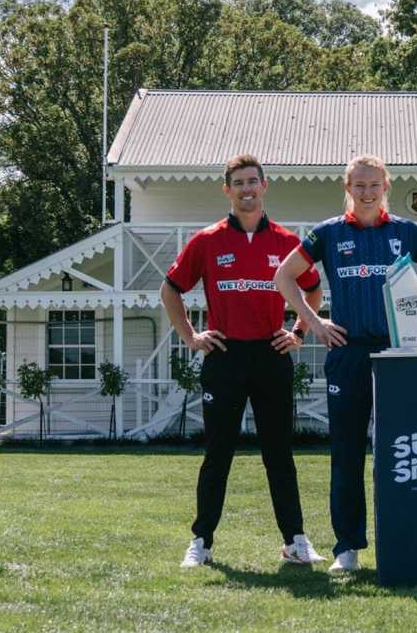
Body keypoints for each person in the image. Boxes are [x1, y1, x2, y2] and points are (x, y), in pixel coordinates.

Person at [274, 155, 417, 573]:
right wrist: (313, 322)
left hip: (397, 354)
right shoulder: (328, 233)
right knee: (347, 453)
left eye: (374, 184)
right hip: (347, 351)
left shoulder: (405, 231)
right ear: (347, 188)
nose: (367, 192)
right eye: (359, 185)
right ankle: (347, 547)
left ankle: (405, 538)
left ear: (386, 186)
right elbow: (284, 276)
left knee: (403, 450)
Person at [160, 154, 327, 568]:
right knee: (218, 453)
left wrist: (299, 332)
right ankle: (202, 541)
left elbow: (314, 290)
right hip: (225, 355)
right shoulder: (207, 240)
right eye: (239, 182)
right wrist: (191, 337)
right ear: (227, 189)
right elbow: (170, 290)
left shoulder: (288, 242)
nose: (247, 189)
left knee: (279, 453)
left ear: (265, 186)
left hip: (271, 355)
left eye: (253, 181)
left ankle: (295, 541)